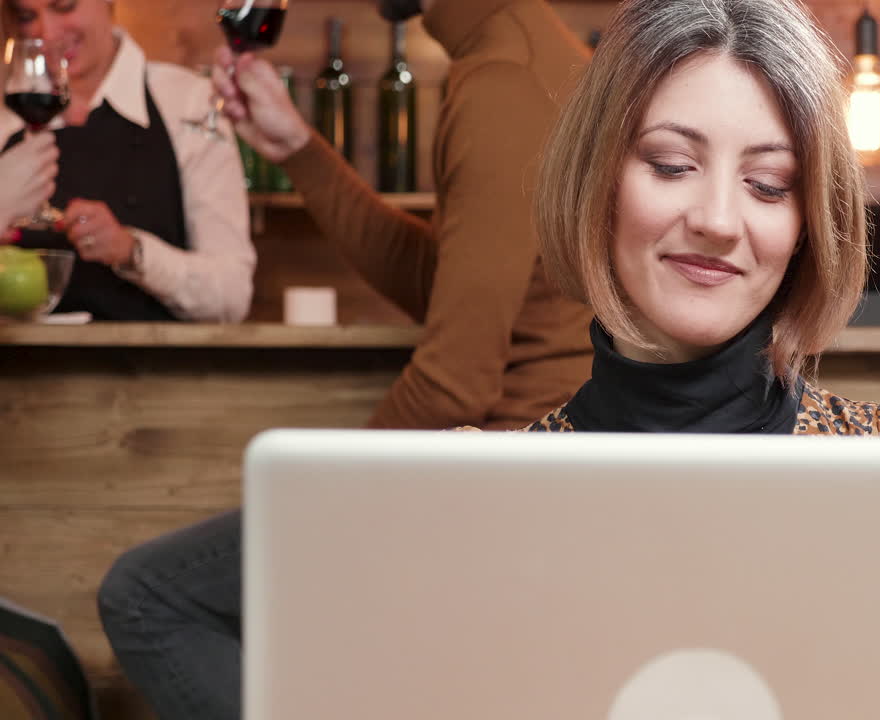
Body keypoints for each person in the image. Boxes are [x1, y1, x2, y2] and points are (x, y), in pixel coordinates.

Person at [97, 1, 593, 718]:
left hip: (510, 478)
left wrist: (321, 498)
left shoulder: (501, 79)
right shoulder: (516, 47)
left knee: (147, 596)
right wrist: (301, 149)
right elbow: (454, 281)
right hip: (526, 466)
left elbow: (456, 382)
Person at [498, 0, 880, 436]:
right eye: (672, 165)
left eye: (768, 184)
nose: (718, 222)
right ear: (594, 184)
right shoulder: (493, 491)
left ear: (808, 227)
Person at [0, 0, 254, 322]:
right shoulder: (6, 118)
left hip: (155, 369)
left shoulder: (190, 104)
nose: (46, 33)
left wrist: (132, 251)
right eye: (26, 16)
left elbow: (231, 298)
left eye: (64, 6)